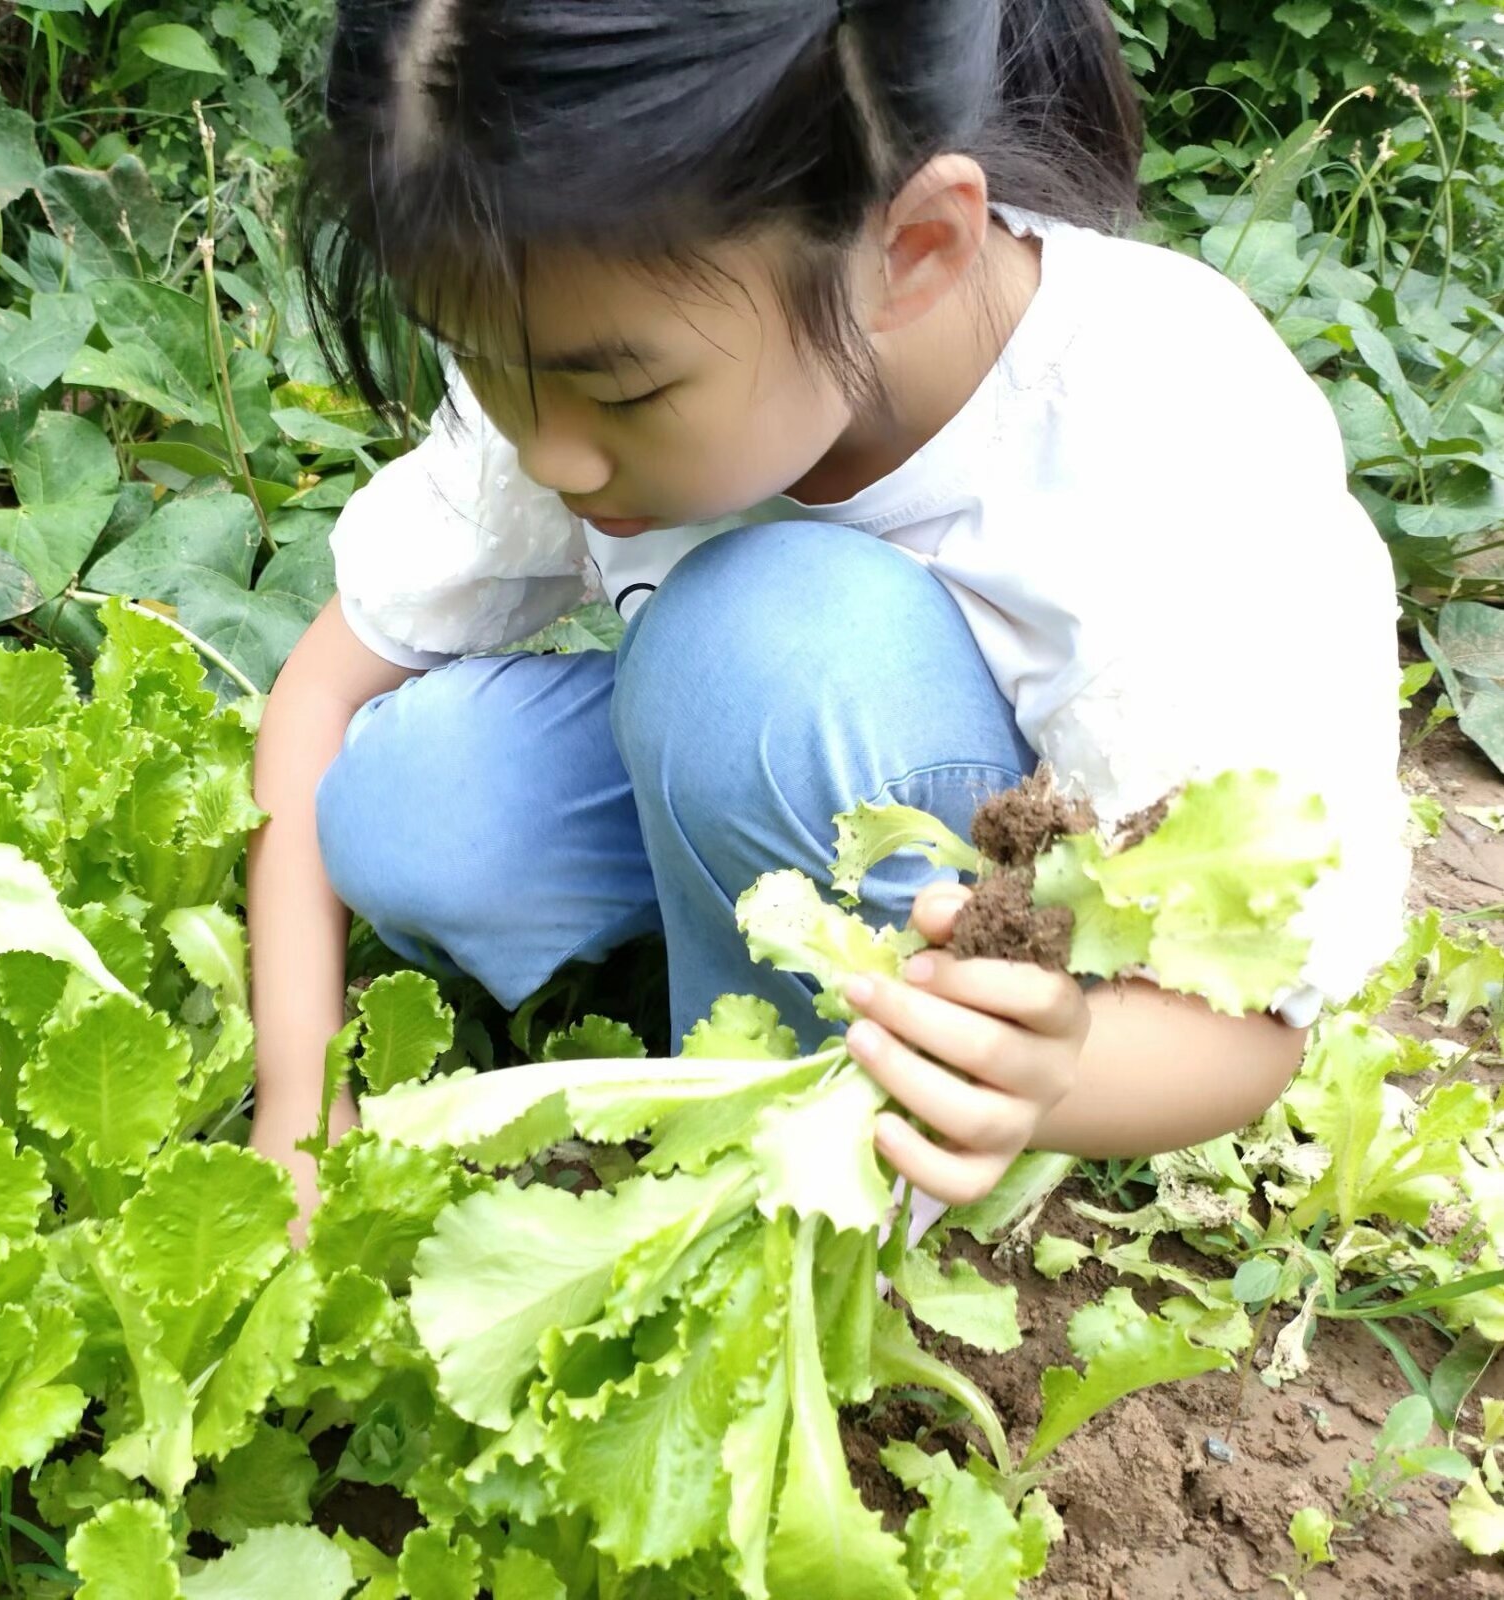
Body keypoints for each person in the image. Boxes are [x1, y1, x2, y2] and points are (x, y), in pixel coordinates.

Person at [245, 0, 1409, 1232]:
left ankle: (833, 1176)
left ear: (910, 249)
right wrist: (299, 1101)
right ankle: (740, 973)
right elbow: (321, 696)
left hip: (1004, 942)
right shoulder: (568, 335)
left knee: (762, 643)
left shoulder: (1164, 422)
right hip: (764, 772)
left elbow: (1254, 1018)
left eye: (623, 390)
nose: (552, 458)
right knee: (406, 802)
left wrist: (1055, 1068)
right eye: (476, 360)